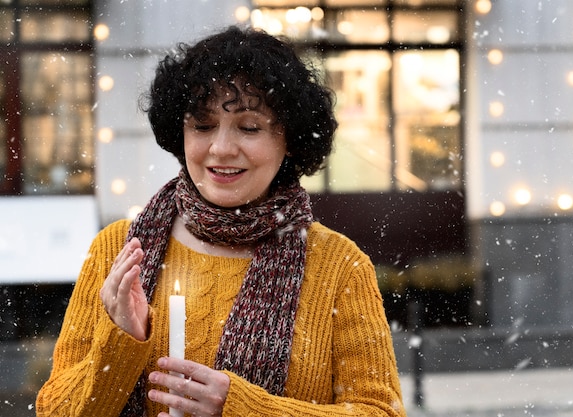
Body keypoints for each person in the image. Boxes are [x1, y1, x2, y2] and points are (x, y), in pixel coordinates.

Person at [36, 25, 406, 417]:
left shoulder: (339, 267)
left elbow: (381, 412)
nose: (221, 148)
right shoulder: (119, 251)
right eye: (202, 124)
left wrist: (240, 408)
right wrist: (123, 337)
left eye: (249, 127)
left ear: (290, 141)